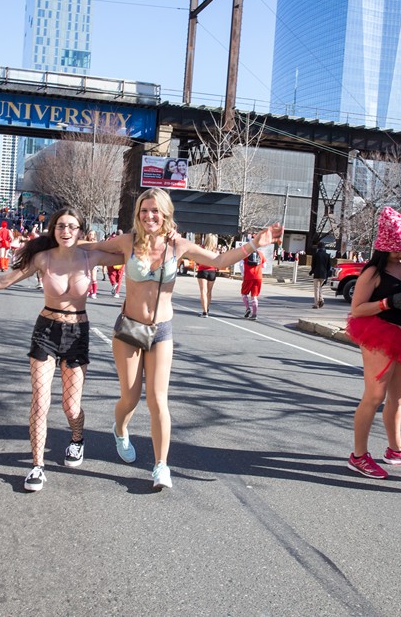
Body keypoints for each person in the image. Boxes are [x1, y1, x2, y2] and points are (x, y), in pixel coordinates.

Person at [84, 188, 282, 490]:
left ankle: (161, 466)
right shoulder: (128, 242)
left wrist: (254, 243)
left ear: (165, 214)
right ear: (138, 214)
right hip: (129, 330)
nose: (149, 216)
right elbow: (94, 247)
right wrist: (55, 245)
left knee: (158, 400)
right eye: (144, 210)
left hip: (161, 330)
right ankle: (120, 429)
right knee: (131, 397)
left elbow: (218, 260)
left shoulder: (178, 245)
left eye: (155, 211)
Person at [0, 208, 122, 492]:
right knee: (40, 401)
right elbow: (5, 279)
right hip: (46, 330)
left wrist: (165, 241)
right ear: (53, 229)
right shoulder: (42, 258)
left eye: (72, 227)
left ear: (81, 231)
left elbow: (133, 254)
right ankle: (37, 466)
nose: (66, 231)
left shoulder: (91, 257)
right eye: (61, 226)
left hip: (77, 334)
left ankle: (76, 439)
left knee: (71, 407)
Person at [345, 208, 401, 480]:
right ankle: (358, 456)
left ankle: (396, 449)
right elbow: (357, 309)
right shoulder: (373, 271)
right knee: (374, 396)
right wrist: (386, 303)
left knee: (400, 397)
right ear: (383, 247)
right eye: (396, 248)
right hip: (381, 334)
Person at [195, 233, 220, 317]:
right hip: (212, 271)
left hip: (202, 270)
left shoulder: (202, 248)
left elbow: (197, 260)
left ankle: (204, 311)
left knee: (203, 291)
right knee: (209, 292)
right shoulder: (215, 250)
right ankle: (207, 308)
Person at [241, 239, 265, 319]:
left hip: (248, 276)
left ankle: (247, 308)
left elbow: (241, 264)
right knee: (254, 296)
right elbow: (264, 265)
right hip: (258, 277)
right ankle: (254, 314)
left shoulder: (246, 254)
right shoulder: (260, 254)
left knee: (244, 294)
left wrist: (242, 274)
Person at [310, 241, 333, 308]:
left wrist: (311, 272)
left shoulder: (315, 255)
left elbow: (313, 265)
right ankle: (321, 300)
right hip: (324, 274)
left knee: (316, 289)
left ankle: (317, 304)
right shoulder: (327, 255)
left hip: (317, 274)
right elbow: (329, 267)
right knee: (320, 288)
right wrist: (327, 276)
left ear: (318, 247)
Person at [106, 230, 124, 297]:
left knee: (111, 274)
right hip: (121, 260)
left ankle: (114, 283)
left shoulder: (111, 239)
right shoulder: (124, 241)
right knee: (119, 277)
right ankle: (117, 292)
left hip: (111, 259)